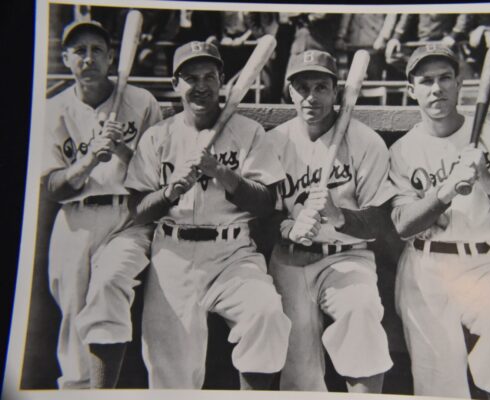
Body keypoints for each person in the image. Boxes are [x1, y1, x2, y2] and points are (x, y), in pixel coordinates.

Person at [124, 41, 290, 389]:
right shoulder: (158, 137)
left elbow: (266, 203)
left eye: (209, 76)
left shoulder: (248, 132)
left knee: (265, 313)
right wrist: (170, 191)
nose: (200, 85)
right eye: (190, 77)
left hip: (233, 254)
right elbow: (138, 211)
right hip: (173, 253)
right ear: (175, 84)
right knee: (171, 373)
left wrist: (221, 173)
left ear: (222, 82)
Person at [388, 44, 490, 399]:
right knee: (439, 384)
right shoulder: (402, 150)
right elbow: (403, 224)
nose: (436, 88)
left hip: (485, 265)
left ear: (458, 84)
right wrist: (445, 191)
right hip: (425, 267)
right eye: (425, 81)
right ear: (412, 90)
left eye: (444, 78)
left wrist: (487, 177)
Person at [42, 20, 163, 389]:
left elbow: (159, 177)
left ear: (112, 57)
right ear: (65, 58)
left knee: (110, 285)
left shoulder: (141, 101)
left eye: (97, 50)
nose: (89, 58)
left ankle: (101, 390)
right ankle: (77, 390)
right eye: (80, 51)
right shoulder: (53, 108)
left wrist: (124, 149)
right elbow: (54, 187)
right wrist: (89, 160)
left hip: (128, 216)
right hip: (75, 217)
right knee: (73, 313)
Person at [267, 50, 394, 393]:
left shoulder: (366, 142)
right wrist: (287, 227)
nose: (311, 97)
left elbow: (381, 221)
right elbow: (261, 213)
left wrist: (340, 217)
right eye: (302, 87)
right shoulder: (274, 142)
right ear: (289, 92)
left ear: (336, 92)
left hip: (347, 256)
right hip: (290, 259)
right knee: (298, 371)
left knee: (361, 314)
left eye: (321, 87)